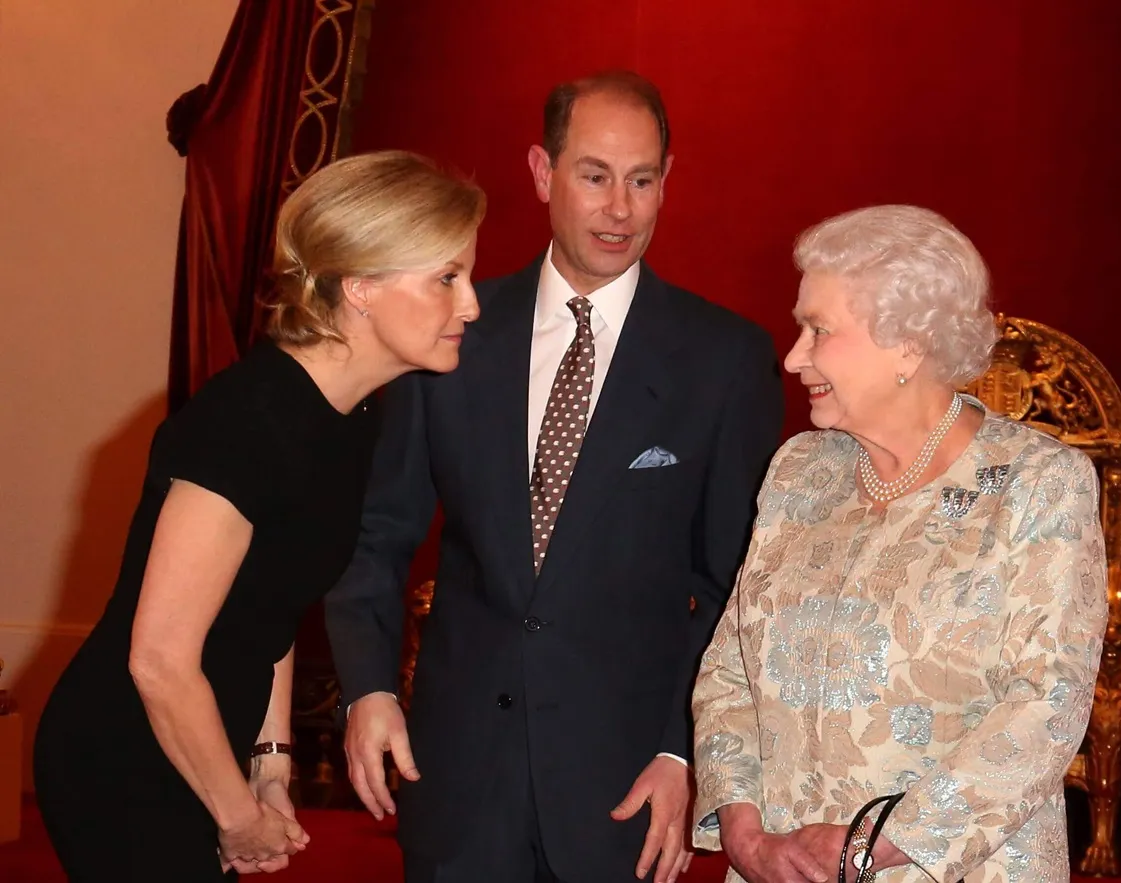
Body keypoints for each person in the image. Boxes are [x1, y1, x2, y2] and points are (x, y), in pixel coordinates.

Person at [324, 71, 784, 883]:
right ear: (542, 173)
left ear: (666, 182)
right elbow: (377, 537)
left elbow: (733, 587)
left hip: (625, 792)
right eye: (595, 176)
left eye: (642, 181)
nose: (619, 208)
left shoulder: (725, 361)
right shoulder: (448, 338)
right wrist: (367, 689)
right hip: (460, 782)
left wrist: (685, 750)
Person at [33, 149, 485, 882]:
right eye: (446, 278)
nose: (469, 305)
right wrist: (236, 814)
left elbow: (274, 604)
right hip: (124, 757)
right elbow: (158, 661)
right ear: (363, 288)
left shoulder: (353, 412)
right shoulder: (249, 423)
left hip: (204, 746)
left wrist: (269, 763)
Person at [690, 204, 1109, 883]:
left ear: (908, 344)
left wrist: (870, 843)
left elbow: (1045, 707)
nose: (794, 355)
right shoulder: (800, 470)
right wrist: (745, 833)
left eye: (819, 330)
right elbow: (729, 667)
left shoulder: (1037, 485)